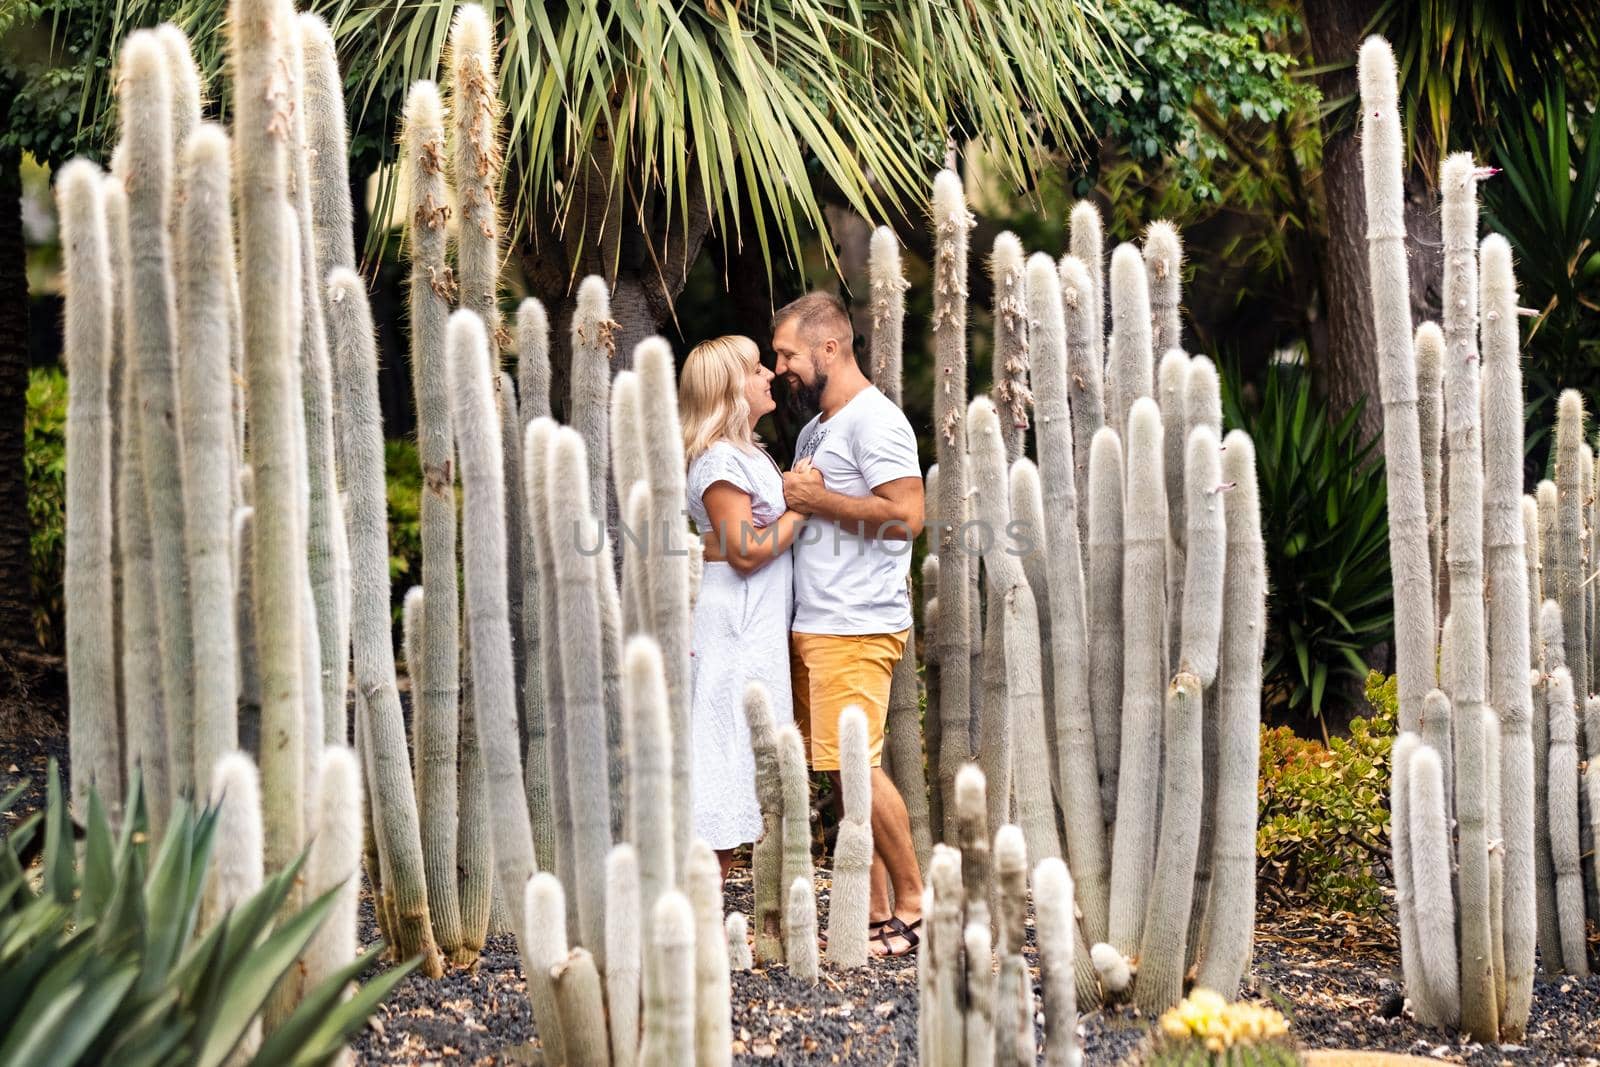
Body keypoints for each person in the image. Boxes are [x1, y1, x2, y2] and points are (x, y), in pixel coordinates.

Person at [771, 292, 927, 956]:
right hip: (819, 621)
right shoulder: (816, 430)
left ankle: (919, 904)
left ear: (827, 349)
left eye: (786, 354)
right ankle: (875, 908)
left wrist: (816, 499)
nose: (780, 367)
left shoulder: (877, 422)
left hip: (857, 622)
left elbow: (906, 515)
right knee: (841, 768)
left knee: (856, 765)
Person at [679, 335, 810, 881]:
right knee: (722, 752)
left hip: (754, 624)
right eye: (757, 370)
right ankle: (700, 902)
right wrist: (802, 509)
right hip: (731, 625)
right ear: (732, 388)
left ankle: (709, 905)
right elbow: (746, 552)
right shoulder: (719, 462)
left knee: (742, 748)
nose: (769, 376)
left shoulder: (747, 452)